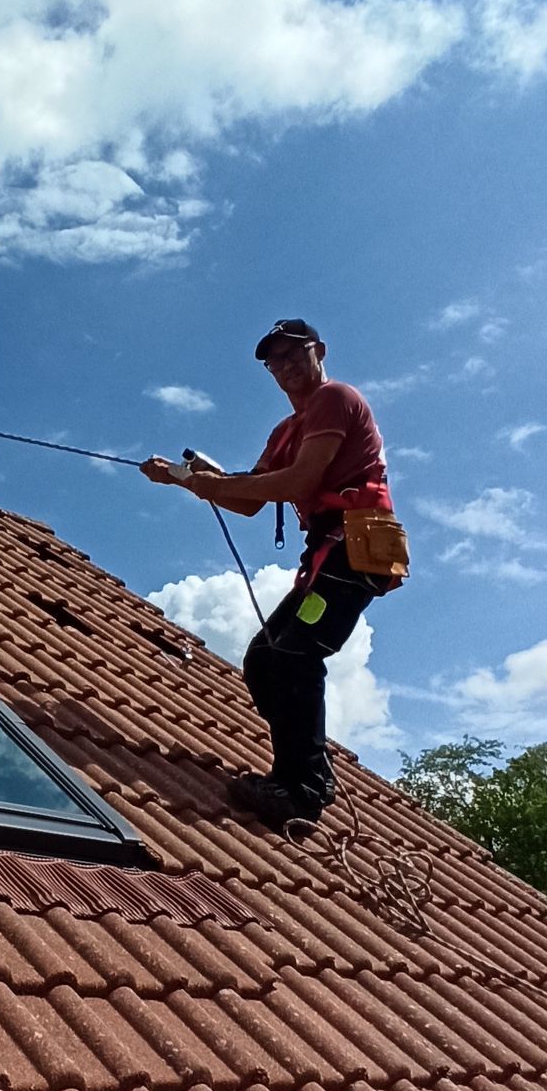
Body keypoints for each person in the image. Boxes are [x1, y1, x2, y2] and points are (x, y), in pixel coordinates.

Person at [142, 318, 402, 831]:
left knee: (295, 655)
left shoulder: (336, 399)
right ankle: (303, 770)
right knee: (265, 660)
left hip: (354, 546)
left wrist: (211, 484)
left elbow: (300, 481)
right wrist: (181, 479)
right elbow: (248, 503)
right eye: (273, 361)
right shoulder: (285, 432)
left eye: (292, 354)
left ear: (319, 351)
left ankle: (302, 788)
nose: (283, 367)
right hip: (328, 554)